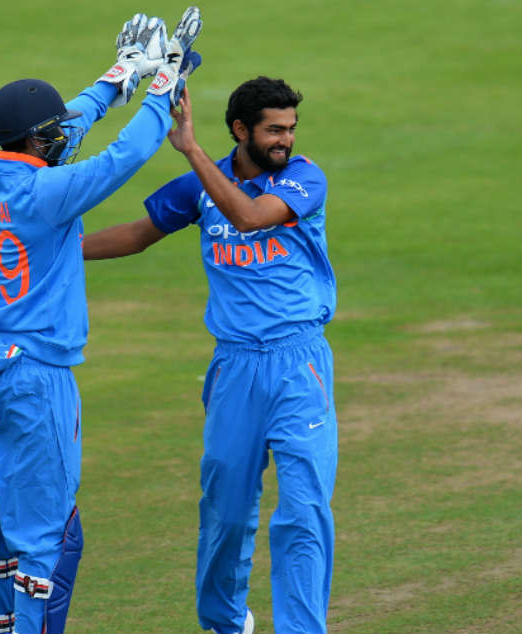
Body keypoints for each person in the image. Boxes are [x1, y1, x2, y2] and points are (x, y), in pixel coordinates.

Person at [0, 9, 203, 634]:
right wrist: (163, 86)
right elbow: (127, 155)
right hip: (35, 377)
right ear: (37, 143)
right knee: (51, 537)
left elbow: (61, 128)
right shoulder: (49, 194)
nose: (58, 139)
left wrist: (117, 77)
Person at [83, 77, 338, 634]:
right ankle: (226, 621)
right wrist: (58, 252)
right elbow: (137, 235)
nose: (286, 140)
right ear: (241, 130)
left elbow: (249, 217)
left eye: (290, 129)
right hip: (235, 367)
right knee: (225, 507)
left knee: (304, 509)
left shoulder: (303, 178)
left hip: (299, 365)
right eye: (274, 130)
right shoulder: (200, 188)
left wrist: (191, 149)